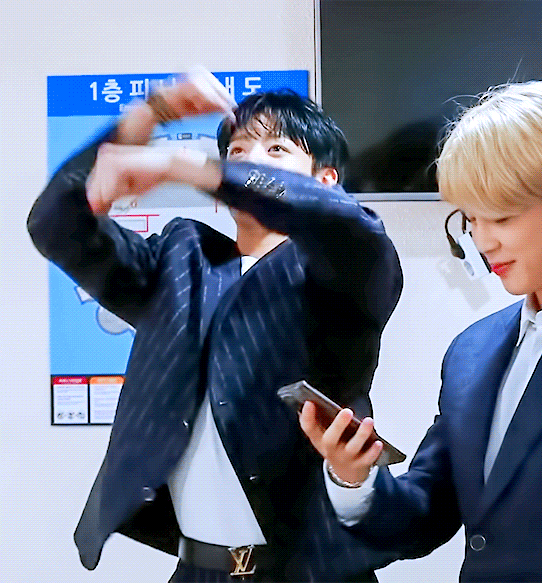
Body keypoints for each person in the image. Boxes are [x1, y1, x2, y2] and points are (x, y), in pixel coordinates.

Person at [300, 81, 542, 582]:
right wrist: (354, 478)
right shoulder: (473, 351)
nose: (483, 241)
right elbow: (425, 512)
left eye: (502, 218)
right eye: (470, 219)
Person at [28, 74, 402, 582]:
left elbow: (342, 223)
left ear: (325, 180)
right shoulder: (182, 259)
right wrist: (150, 114)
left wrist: (186, 167)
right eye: (237, 150)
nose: (248, 161)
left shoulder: (347, 268)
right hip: (198, 569)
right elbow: (55, 223)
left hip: (313, 570)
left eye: (276, 149)